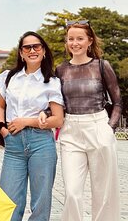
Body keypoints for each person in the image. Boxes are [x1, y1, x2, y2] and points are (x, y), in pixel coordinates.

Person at [44, 20, 122, 221]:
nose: (75, 43)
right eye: (71, 39)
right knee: (72, 191)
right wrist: (45, 112)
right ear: (66, 42)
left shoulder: (102, 66)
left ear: (89, 41)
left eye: (80, 38)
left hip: (98, 126)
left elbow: (118, 103)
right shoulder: (60, 70)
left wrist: (109, 129)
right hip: (71, 131)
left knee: (103, 191)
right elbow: (55, 101)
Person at [0, 31, 64, 220]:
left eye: (37, 46)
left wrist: (26, 121)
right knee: (8, 201)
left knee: (41, 202)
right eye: (27, 47)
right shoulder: (9, 77)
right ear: (21, 53)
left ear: (43, 51)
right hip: (13, 145)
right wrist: (2, 128)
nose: (32, 50)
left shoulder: (52, 81)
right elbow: (0, 107)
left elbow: (58, 119)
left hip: (41, 143)